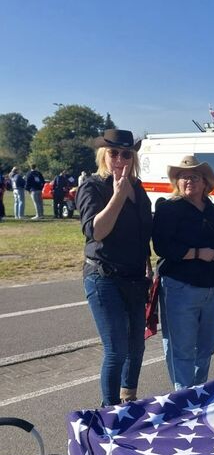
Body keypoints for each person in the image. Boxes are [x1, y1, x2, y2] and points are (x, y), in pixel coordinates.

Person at [75, 129, 153, 406]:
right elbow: (96, 232)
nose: (120, 159)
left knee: (136, 347)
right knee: (116, 349)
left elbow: (143, 232)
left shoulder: (138, 189)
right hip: (103, 276)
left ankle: (128, 401)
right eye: (114, 153)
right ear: (103, 156)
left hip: (135, 278)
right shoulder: (92, 186)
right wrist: (118, 196)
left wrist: (148, 265)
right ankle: (110, 411)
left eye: (126, 154)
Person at [153, 155, 214, 390]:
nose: (188, 181)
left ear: (205, 182)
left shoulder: (213, 210)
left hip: (212, 287)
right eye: (183, 177)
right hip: (180, 286)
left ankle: (198, 390)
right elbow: (162, 246)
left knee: (207, 347)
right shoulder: (169, 209)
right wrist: (196, 253)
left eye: (194, 177)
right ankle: (183, 396)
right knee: (182, 348)